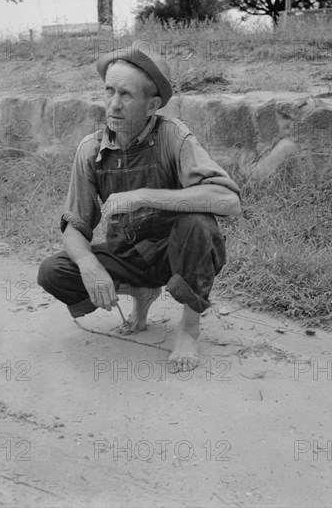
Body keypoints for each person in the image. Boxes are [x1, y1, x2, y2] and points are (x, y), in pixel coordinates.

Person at [38, 42, 242, 373]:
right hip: (130, 256)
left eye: (126, 95)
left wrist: (145, 195)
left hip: (177, 253)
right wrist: (89, 264)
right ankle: (142, 291)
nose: (113, 105)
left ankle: (189, 328)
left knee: (199, 225)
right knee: (53, 272)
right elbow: (75, 226)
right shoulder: (91, 150)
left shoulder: (174, 136)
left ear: (152, 105)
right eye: (109, 91)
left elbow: (228, 201)